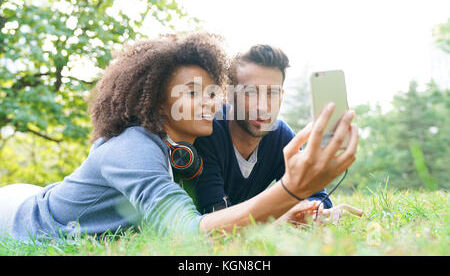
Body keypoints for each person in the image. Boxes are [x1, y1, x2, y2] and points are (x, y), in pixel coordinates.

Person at [0, 32, 359, 243]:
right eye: (193, 93)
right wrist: (290, 191)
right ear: (157, 103)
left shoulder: (181, 146)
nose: (213, 102)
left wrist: (292, 213)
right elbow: (190, 235)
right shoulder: (133, 148)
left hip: (33, 190)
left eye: (212, 91)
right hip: (16, 217)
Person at [193, 44, 362, 224]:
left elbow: (318, 196)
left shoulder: (281, 136)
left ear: (281, 96)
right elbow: (214, 214)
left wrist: (314, 211)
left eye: (272, 93)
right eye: (250, 92)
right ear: (228, 93)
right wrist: (281, 218)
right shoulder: (208, 133)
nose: (263, 107)